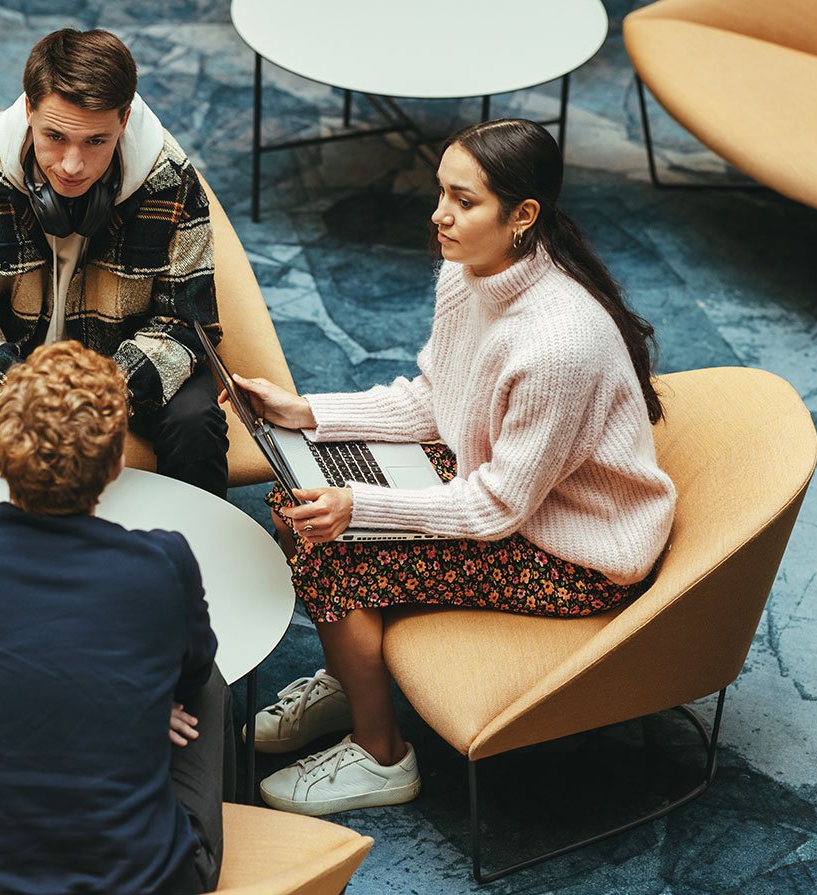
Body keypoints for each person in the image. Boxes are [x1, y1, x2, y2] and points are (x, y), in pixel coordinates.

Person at [230, 119, 678, 816]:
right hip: (506, 487)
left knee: (329, 546)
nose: (440, 214)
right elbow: (437, 403)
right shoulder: (468, 274)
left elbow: (499, 509)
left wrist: (362, 509)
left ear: (523, 215)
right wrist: (305, 413)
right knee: (301, 501)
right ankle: (353, 677)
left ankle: (381, 754)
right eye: (442, 191)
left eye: (464, 201)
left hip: (569, 550)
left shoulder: (556, 344)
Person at [0, 341, 230, 895]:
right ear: (115, 465)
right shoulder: (165, 560)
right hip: (152, 880)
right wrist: (136, 701)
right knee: (211, 683)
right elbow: (190, 672)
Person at [0, 28, 228, 496]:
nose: (72, 165)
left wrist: (101, 394)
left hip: (122, 364)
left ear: (125, 119)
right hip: (10, 355)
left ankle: (198, 565)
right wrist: (26, 396)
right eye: (54, 136)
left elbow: (187, 325)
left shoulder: (171, 181)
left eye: (96, 141)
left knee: (198, 423)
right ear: (29, 110)